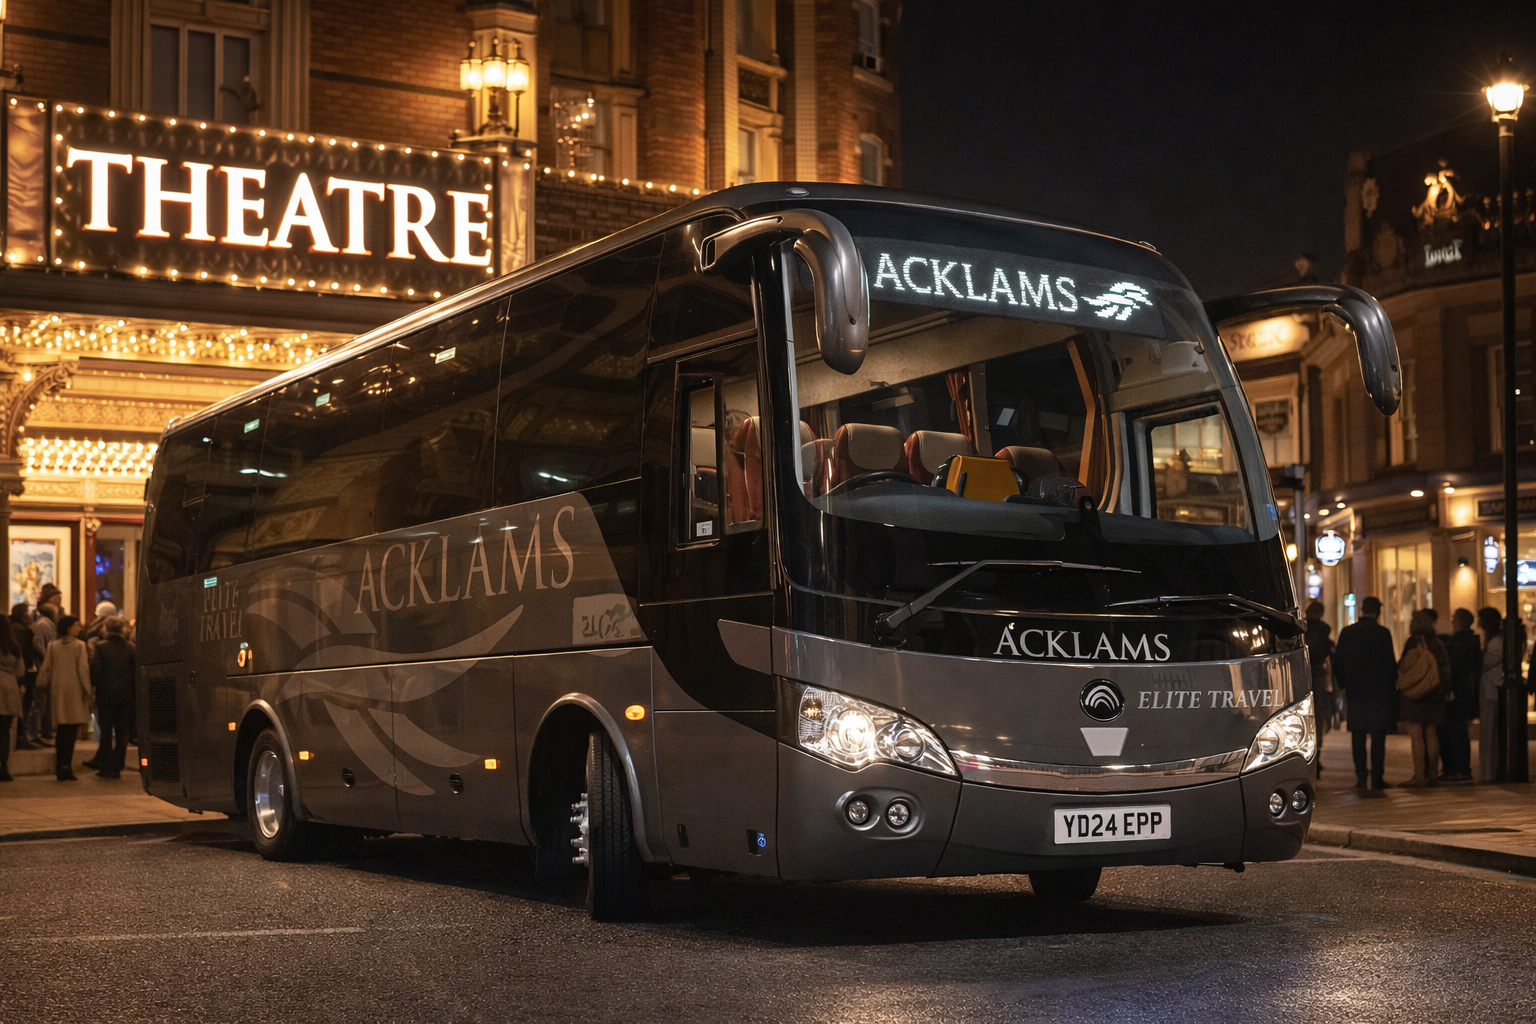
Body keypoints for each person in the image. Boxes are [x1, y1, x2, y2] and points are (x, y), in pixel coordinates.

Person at [1333, 595, 1399, 792]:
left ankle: (1361, 777)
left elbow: (1338, 662)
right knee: (1378, 735)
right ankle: (1377, 778)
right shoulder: (1383, 633)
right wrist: (1391, 686)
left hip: (1356, 691)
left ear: (1362, 609)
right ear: (1377, 611)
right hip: (1379, 692)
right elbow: (1390, 664)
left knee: (1358, 734)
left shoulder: (1348, 632)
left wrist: (1343, 685)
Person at [1398, 608, 1449, 786]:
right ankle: (1433, 774)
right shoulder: (1437, 643)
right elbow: (1445, 670)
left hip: (1415, 695)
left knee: (1416, 736)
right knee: (1431, 733)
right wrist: (1446, 691)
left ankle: (1419, 775)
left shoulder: (1412, 642)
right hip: (1434, 693)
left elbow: (1404, 667)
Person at [36, 614, 90, 781]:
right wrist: (89, 691)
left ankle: (60, 767)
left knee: (61, 730)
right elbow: (83, 670)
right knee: (71, 731)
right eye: (76, 625)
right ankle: (67, 766)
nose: (79, 628)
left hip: (58, 691)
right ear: (68, 628)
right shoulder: (80, 645)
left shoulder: (52, 646)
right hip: (75, 691)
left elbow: (46, 668)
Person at [89, 616, 135, 779]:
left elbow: (96, 671)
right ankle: (118, 766)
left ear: (106, 629)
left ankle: (106, 766)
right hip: (126, 696)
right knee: (122, 733)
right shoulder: (131, 647)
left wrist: (94, 687)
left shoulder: (101, 647)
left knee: (106, 732)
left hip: (106, 696)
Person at [1440, 608, 1479, 783]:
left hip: (1456, 692)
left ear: (1461, 622)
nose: (1452, 622)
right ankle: (1458, 769)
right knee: (1456, 730)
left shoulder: (1459, 642)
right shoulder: (1470, 641)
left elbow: (1453, 667)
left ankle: (1459, 770)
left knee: (1455, 730)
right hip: (1462, 691)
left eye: (1454, 619)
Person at [1304, 601, 1335, 767]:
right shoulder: (1325, 629)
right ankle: (1318, 754)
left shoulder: (1302, 628)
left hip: (1302, 673)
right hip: (1318, 673)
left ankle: (1308, 755)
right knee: (1318, 714)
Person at [1476, 607, 1504, 784]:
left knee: (1488, 733)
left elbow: (1483, 664)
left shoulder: (1495, 643)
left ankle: (1488, 772)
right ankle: (1490, 771)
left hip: (1491, 690)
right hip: (1492, 689)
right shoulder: (1497, 641)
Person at [28, 601, 57, 744]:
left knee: (44, 703)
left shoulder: (45, 624)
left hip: (44, 668)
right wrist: (48, 660)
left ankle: (46, 731)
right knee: (40, 703)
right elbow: (37, 644)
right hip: (42, 669)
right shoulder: (44, 625)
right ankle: (34, 733)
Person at [9, 603, 38, 749]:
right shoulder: (21, 630)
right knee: (24, 705)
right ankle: (22, 736)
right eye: (27, 612)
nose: (29, 615)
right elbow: (25, 652)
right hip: (24, 673)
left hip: (19, 672)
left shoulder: (13, 628)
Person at [0, 614, 23, 781]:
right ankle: (4, 769)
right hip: (9, 688)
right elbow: (21, 671)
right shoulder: (14, 645)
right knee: (4, 732)